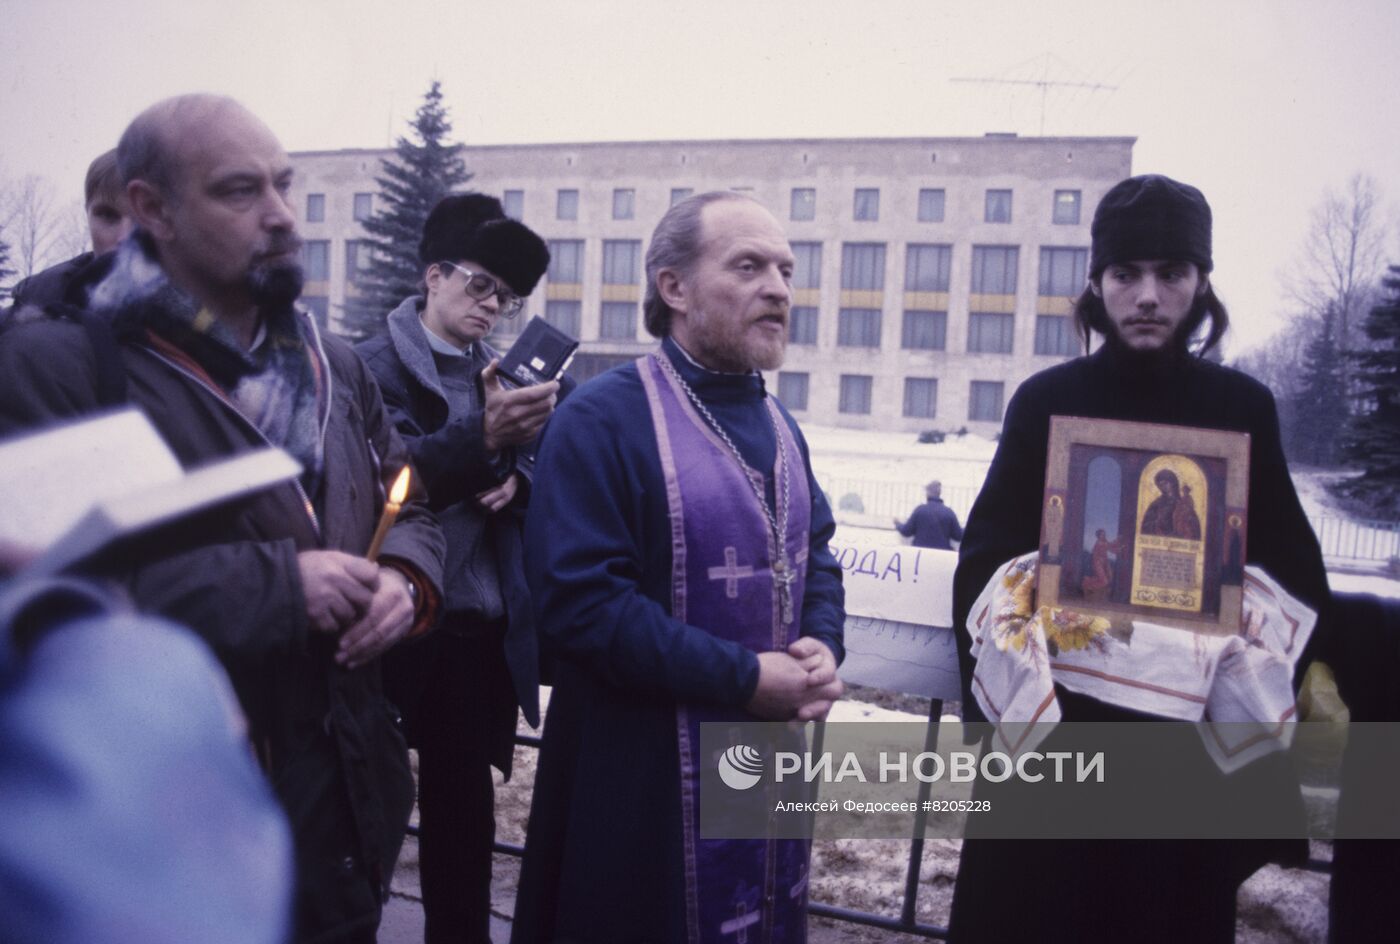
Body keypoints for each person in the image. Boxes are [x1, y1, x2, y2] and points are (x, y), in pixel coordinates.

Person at [0, 94, 445, 943]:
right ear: (152, 209)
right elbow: (35, 604)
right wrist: (279, 588)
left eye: (284, 184)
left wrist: (406, 579)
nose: (282, 216)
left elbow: (408, 495)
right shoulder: (57, 366)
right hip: (173, 845)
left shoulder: (332, 362)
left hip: (349, 810)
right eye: (241, 191)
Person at [948, 174, 1329, 943]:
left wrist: (1231, 616)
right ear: (1097, 285)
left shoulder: (1241, 409)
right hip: (1062, 731)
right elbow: (986, 558)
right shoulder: (1045, 401)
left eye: (1171, 273)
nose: (1148, 296)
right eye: (1126, 274)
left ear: (1201, 283)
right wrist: (1030, 595)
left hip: (1179, 751)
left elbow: (1291, 572)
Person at [511, 191, 845, 944]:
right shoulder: (600, 418)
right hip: (641, 778)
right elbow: (581, 605)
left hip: (760, 766)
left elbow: (815, 553)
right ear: (674, 287)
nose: (778, 290)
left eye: (786, 271)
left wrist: (822, 645)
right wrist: (745, 679)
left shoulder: (780, 422)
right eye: (749, 267)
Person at [356, 192, 561, 944]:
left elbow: (537, 464)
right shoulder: (366, 367)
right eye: (480, 285)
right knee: (364, 809)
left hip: (473, 628)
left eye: (506, 298)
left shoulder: (499, 373)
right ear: (433, 276)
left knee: (463, 822)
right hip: (389, 622)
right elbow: (382, 479)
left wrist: (520, 481)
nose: (492, 307)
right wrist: (484, 438)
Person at [6, 149, 133, 317]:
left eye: (145, 218)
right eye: (108, 215)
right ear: (87, 215)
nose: (125, 237)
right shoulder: (26, 314)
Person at [894, 479, 963, 549]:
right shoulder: (949, 512)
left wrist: (897, 524)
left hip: (920, 552)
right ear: (939, 493)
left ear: (928, 493)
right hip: (940, 553)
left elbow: (906, 532)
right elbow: (958, 536)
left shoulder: (920, 510)